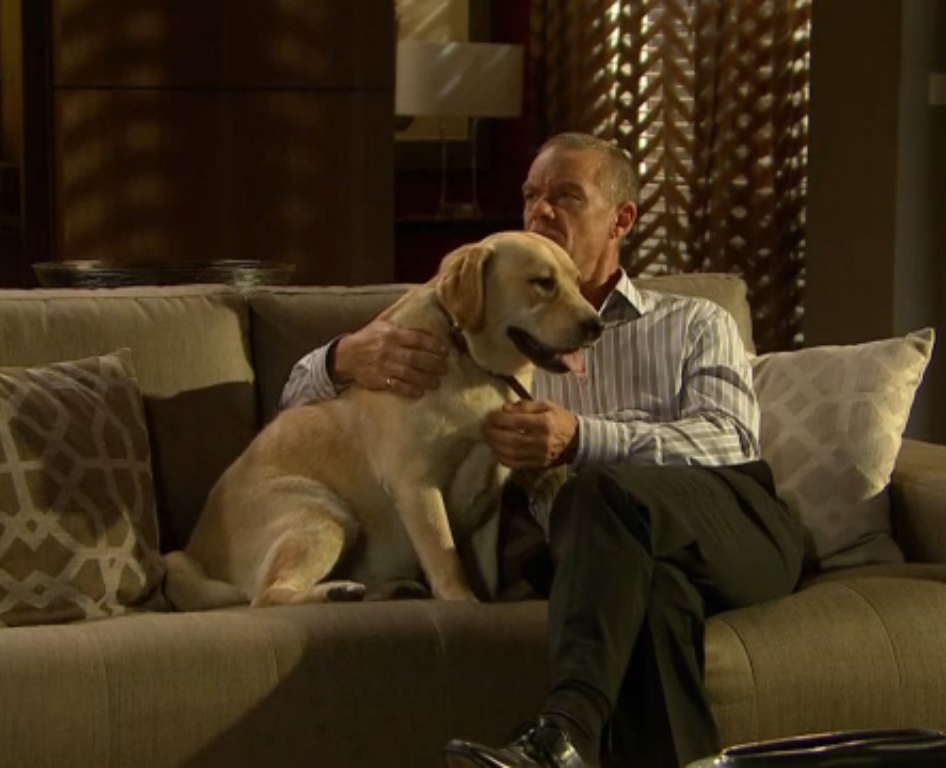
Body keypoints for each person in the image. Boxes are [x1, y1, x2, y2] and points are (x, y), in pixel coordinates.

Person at [279, 132, 806, 768]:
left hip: (733, 525)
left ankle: (561, 738)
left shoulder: (694, 321)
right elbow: (297, 404)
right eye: (531, 195)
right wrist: (344, 357)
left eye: (566, 196)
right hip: (611, 561)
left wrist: (582, 438)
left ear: (621, 220)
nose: (541, 210)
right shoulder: (488, 328)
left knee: (597, 488)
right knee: (653, 602)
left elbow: (732, 439)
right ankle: (573, 746)